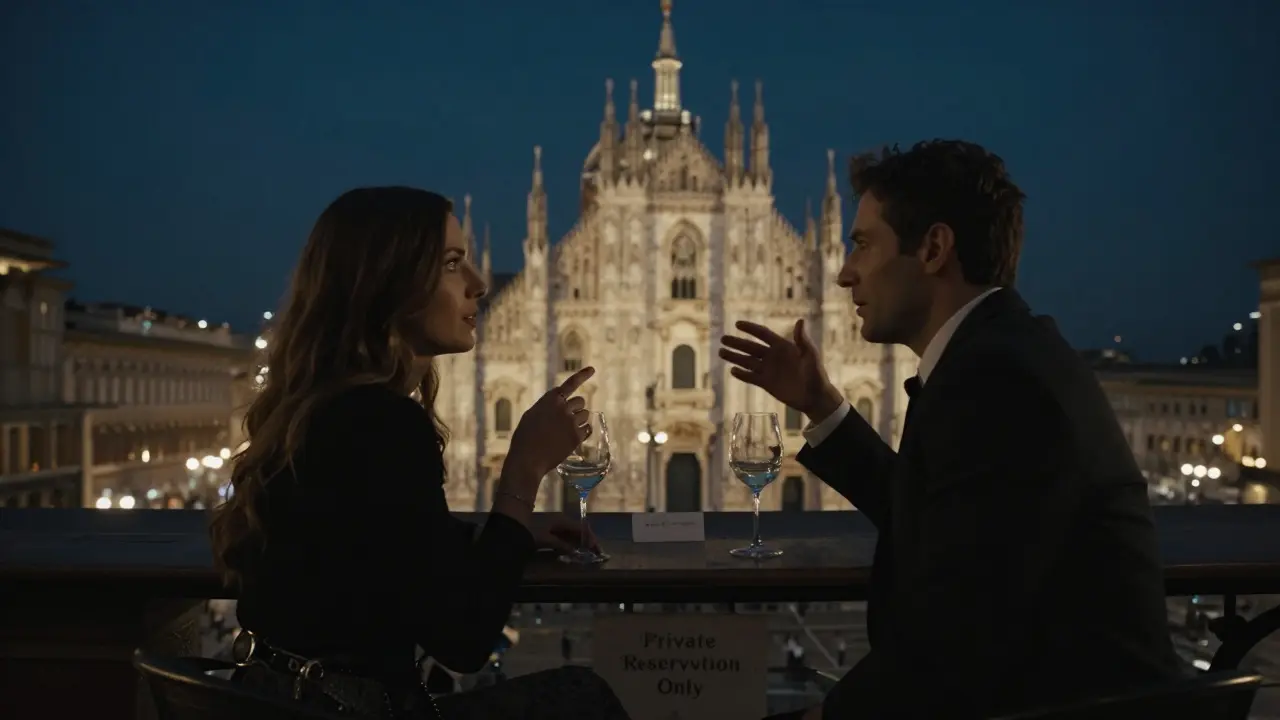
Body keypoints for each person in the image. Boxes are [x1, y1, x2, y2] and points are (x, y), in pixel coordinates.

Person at [720, 141, 1182, 719]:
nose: (842, 273)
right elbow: (931, 513)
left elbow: (950, 645)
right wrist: (821, 404)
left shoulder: (998, 381)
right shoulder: (999, 354)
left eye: (863, 245)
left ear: (934, 249)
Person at [210, 187, 630, 720]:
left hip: (282, 699)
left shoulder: (320, 411)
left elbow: (377, 539)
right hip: (353, 710)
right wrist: (523, 473)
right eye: (453, 264)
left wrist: (502, 533)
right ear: (388, 283)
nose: (480, 284)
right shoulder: (383, 423)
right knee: (581, 695)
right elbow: (465, 640)